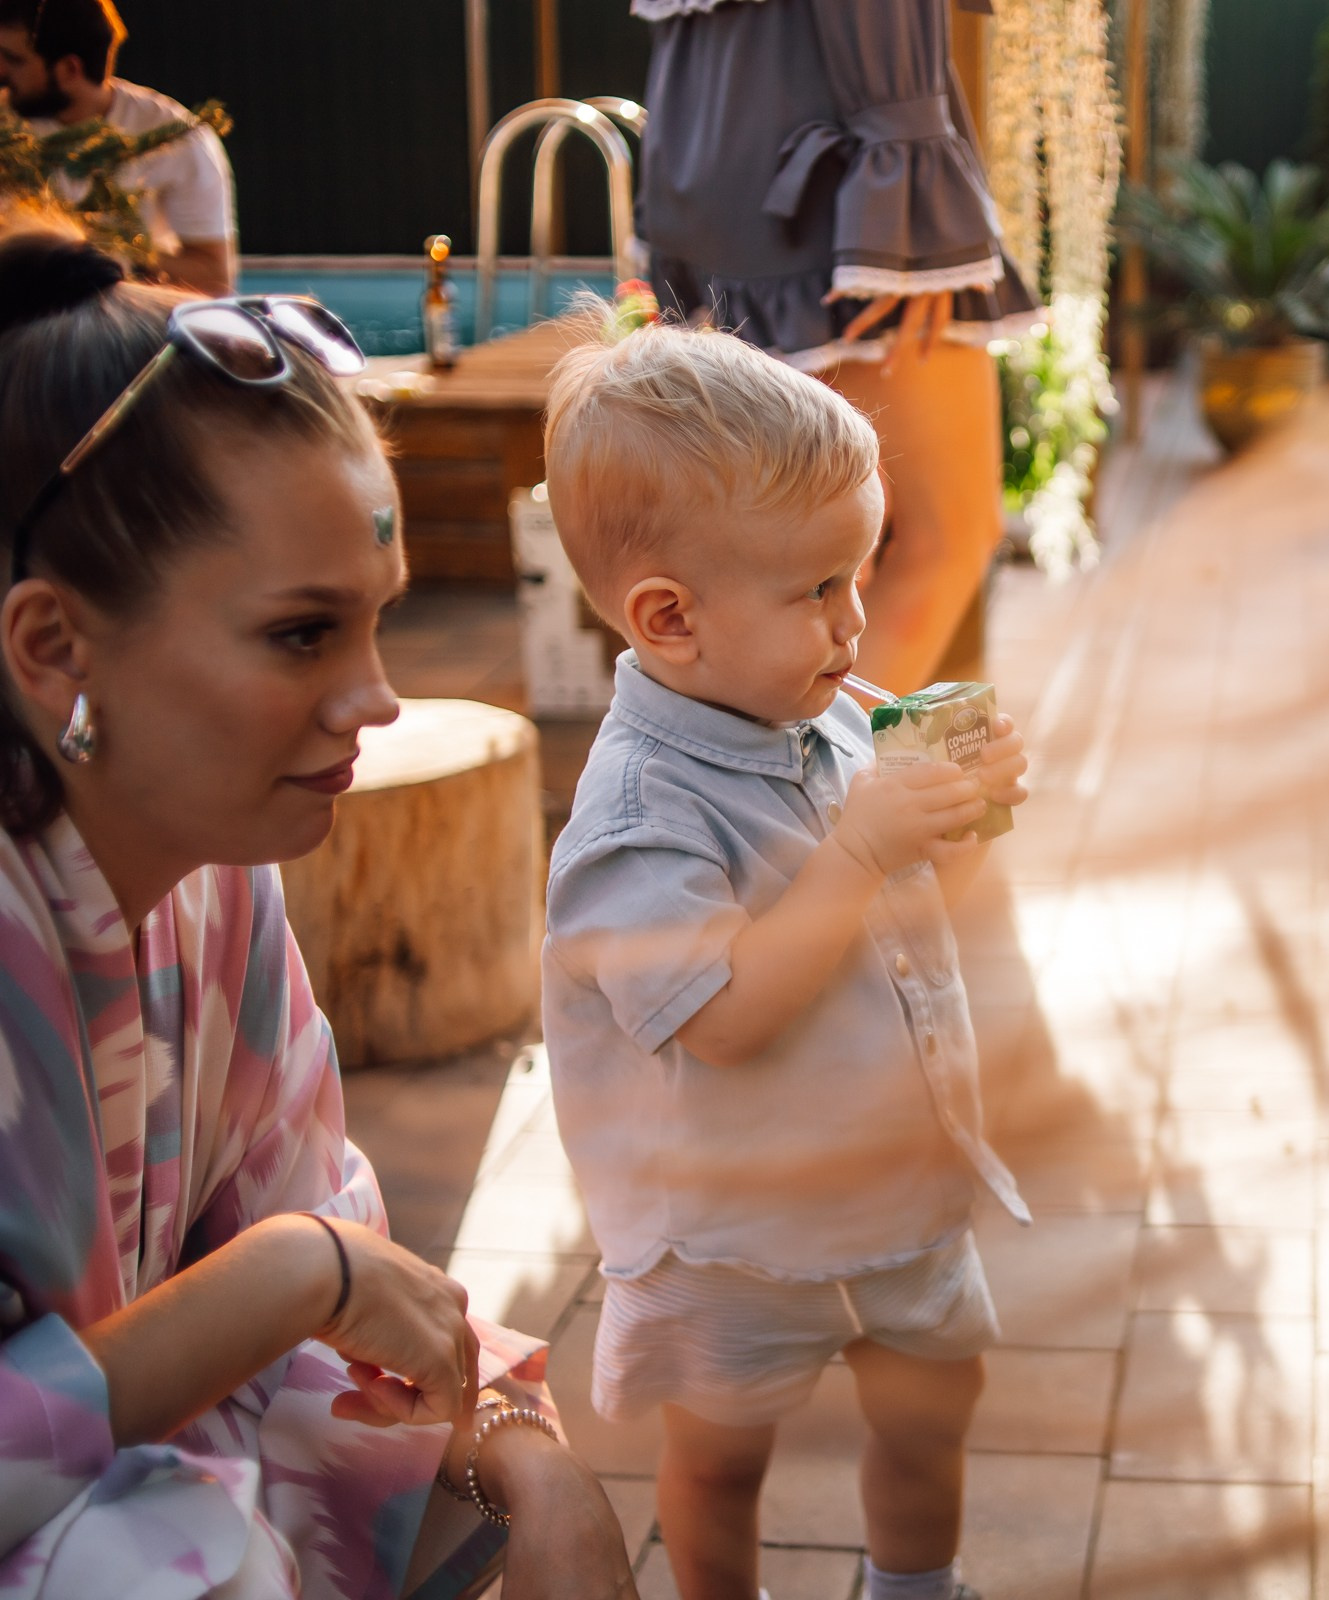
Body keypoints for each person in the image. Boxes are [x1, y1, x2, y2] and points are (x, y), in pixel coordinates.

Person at [0, 233, 632, 1597]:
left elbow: (350, 1303)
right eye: (303, 635)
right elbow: (310, 1269)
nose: (376, 700)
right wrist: (293, 1273)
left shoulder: (218, 882)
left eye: (376, 624)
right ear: (54, 649)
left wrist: (526, 1455)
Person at [538, 313, 1035, 1600]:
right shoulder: (639, 817)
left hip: (894, 1185)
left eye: (858, 576)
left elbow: (918, 911)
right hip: (736, 1235)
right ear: (671, 617)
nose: (856, 623)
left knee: (935, 1398)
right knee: (719, 1463)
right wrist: (862, 854)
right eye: (818, 590)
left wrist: (958, 822)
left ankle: (913, 1586)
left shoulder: (841, 719)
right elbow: (723, 1017)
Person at [635, 0, 1037, 692]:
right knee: (945, 536)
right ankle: (817, 794)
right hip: (834, 167)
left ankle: (792, 787)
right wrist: (904, 186)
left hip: (726, 153)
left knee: (829, 553)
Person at [0, 0, 237, 295]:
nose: (2, 70)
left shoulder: (175, 137)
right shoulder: (5, 128)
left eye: (14, 59)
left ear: (69, 69)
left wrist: (110, 250)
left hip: (126, 323)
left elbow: (214, 278)